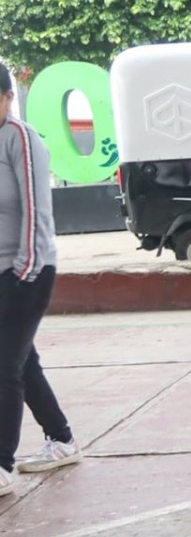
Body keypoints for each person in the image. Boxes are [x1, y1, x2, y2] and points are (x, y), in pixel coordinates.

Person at [0, 63, 79, 494]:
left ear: (8, 97)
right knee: (21, 362)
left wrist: (23, 272)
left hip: (27, 270)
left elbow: (36, 210)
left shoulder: (21, 139)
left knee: (4, 365)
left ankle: (1, 464)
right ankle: (62, 439)